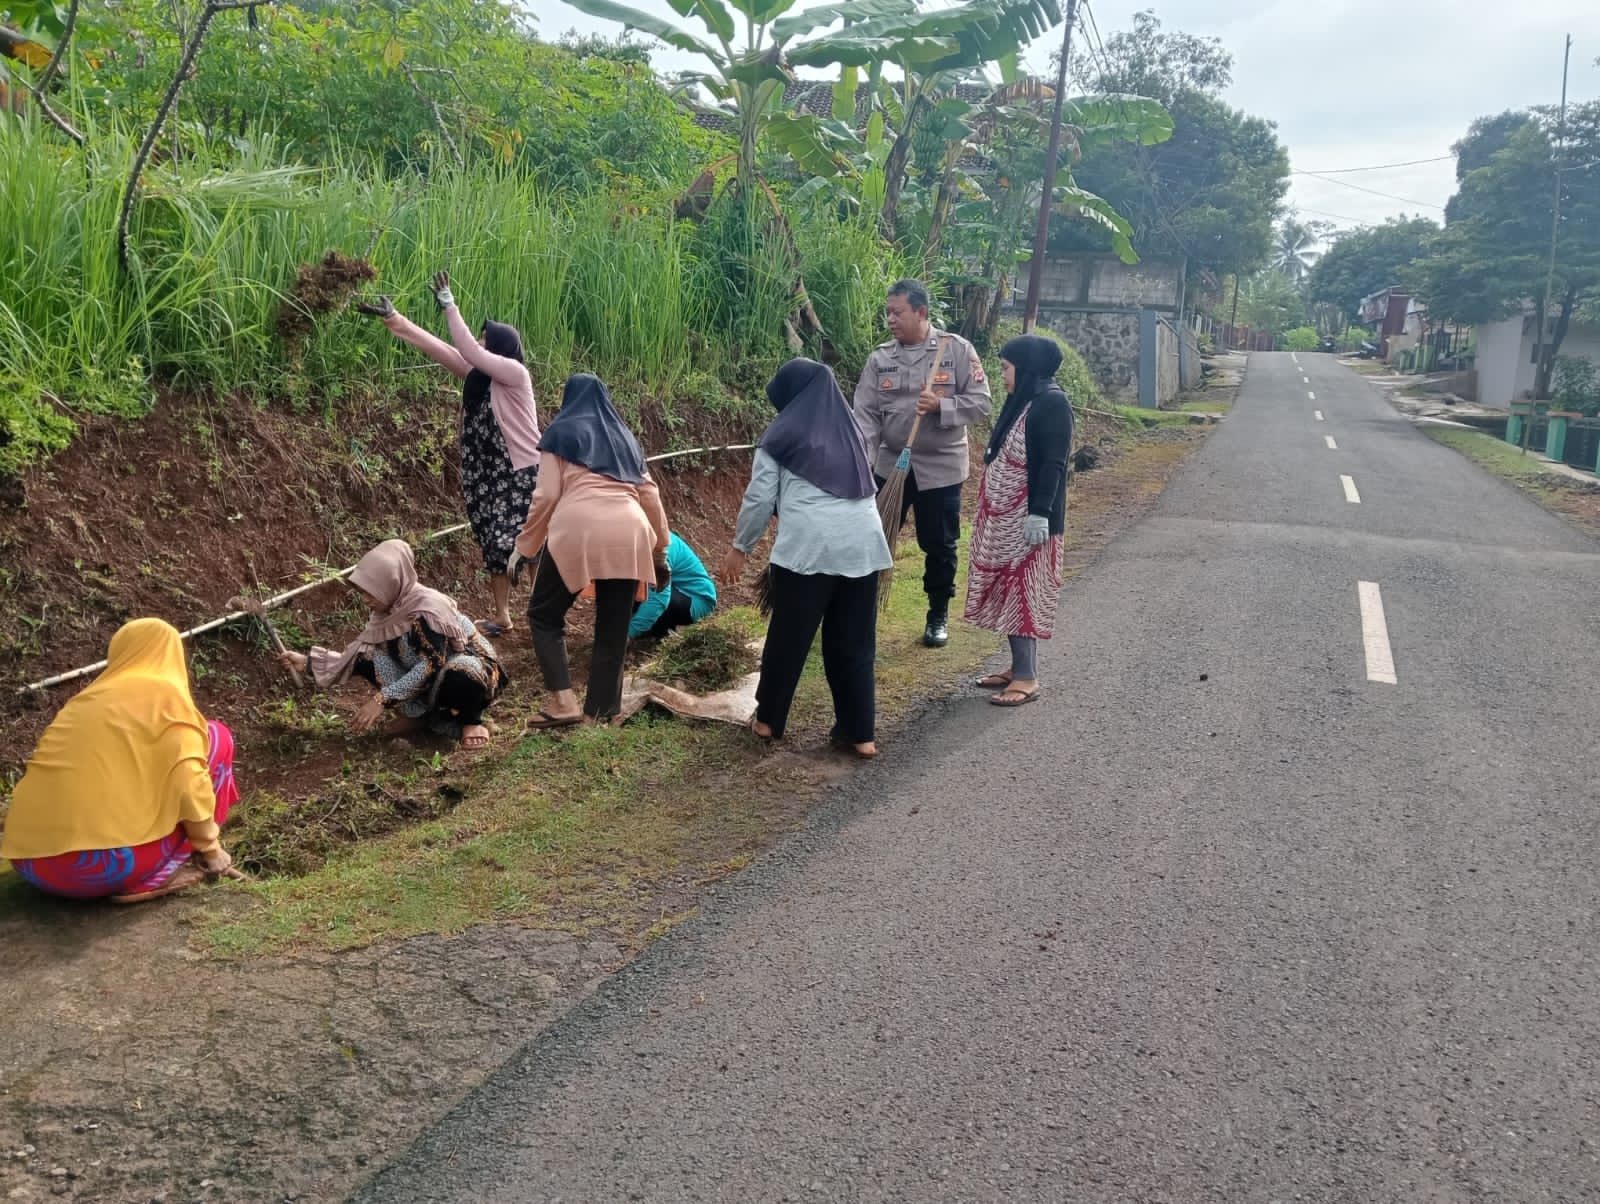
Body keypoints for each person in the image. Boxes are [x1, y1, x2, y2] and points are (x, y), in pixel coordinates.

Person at [1, 618, 241, 904]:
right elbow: (189, 781)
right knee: (217, 737)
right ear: (172, 654)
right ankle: (180, 864)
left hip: (32, 864)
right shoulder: (166, 697)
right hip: (102, 870)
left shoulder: (81, 702)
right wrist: (211, 849)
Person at [721, 358, 892, 759]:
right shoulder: (852, 432)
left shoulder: (780, 435)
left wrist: (740, 548)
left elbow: (761, 497)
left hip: (810, 552)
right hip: (865, 547)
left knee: (789, 638)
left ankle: (768, 721)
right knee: (853, 641)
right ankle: (859, 732)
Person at [357, 270, 540, 637]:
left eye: (487, 339)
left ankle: (539, 609)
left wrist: (448, 303)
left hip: (519, 472)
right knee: (492, 542)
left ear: (502, 348)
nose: (481, 343)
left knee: (528, 542)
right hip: (485, 473)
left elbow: (469, 349)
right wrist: (396, 320)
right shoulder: (479, 375)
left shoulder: (515, 374)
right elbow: (443, 350)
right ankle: (503, 615)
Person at [513, 374, 671, 729]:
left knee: (544, 616)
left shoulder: (559, 432)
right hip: (630, 532)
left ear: (569, 400)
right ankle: (600, 714)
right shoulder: (625, 439)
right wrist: (661, 549)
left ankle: (564, 702)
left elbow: (548, 496)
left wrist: (525, 546)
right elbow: (650, 495)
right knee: (613, 627)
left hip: (578, 527)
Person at [853, 278, 992, 649]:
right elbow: (865, 416)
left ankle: (937, 614)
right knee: (873, 539)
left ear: (922, 312)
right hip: (889, 466)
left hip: (940, 467)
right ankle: (859, 613)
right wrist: (864, 467)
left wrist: (942, 407)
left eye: (897, 313)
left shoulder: (956, 351)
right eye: (887, 313)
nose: (890, 320)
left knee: (939, 544)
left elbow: (981, 402)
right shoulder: (880, 359)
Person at [277, 540, 505, 749]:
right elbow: (358, 657)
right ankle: (423, 718)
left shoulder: (427, 609)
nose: (366, 599)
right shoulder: (387, 613)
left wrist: (381, 700)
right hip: (429, 679)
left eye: (371, 592)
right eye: (363, 592)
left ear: (393, 582)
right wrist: (308, 662)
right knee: (370, 656)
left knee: (461, 674)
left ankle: (469, 720)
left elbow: (431, 665)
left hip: (468, 672)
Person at [963, 334, 1073, 707]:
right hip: (1005, 520)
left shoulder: (1051, 404)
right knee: (1007, 590)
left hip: (1030, 521)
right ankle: (1016, 666)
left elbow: (1053, 464)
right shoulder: (1024, 400)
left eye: (1007, 368)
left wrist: (1039, 514)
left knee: (1023, 593)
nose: (1003, 375)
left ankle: (1027, 677)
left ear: (1026, 368)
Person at [629, 532, 717, 641]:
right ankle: (653, 628)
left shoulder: (659, 547)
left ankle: (658, 630)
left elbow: (659, 598)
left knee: (646, 595)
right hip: (671, 589)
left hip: (696, 598)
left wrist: (628, 634)